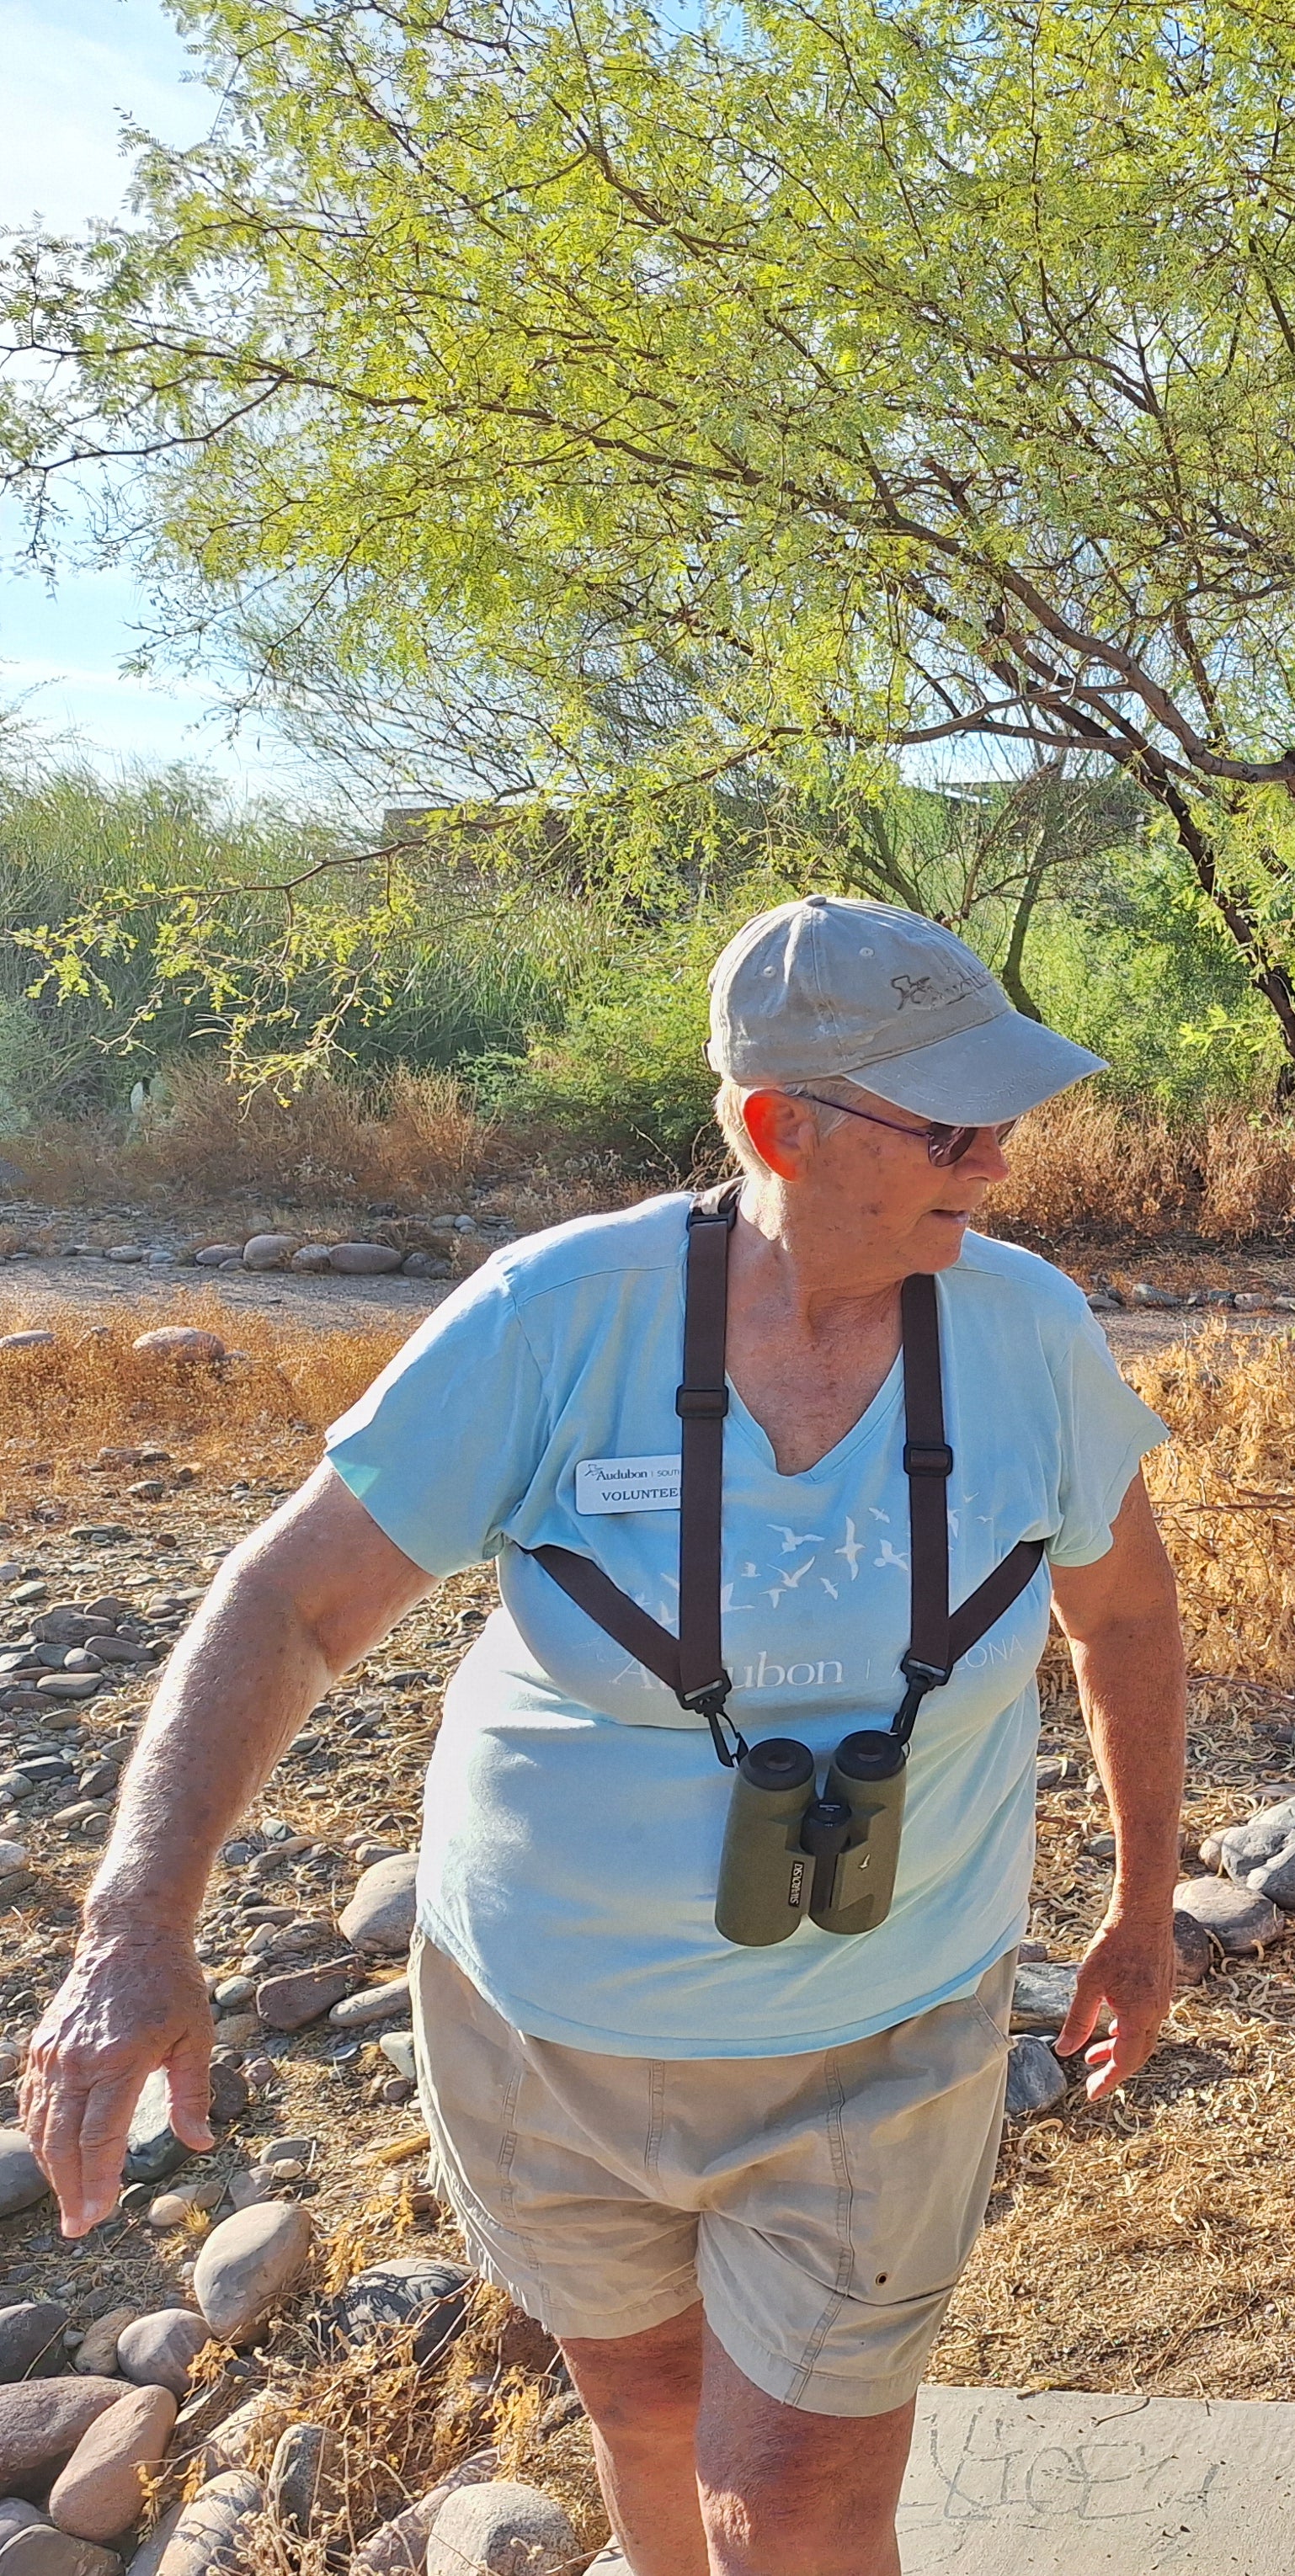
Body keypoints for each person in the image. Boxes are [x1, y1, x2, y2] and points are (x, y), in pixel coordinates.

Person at [20, 897, 1183, 2576]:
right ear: (783, 1124)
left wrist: (1143, 1914)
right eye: (951, 1123)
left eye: (1002, 1114)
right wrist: (134, 1924)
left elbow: (1124, 1617)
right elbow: (290, 1607)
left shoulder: (1030, 1336)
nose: (999, 1161)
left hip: (880, 2034)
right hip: (547, 2029)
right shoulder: (555, 1317)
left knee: (793, 2502)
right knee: (643, 2413)